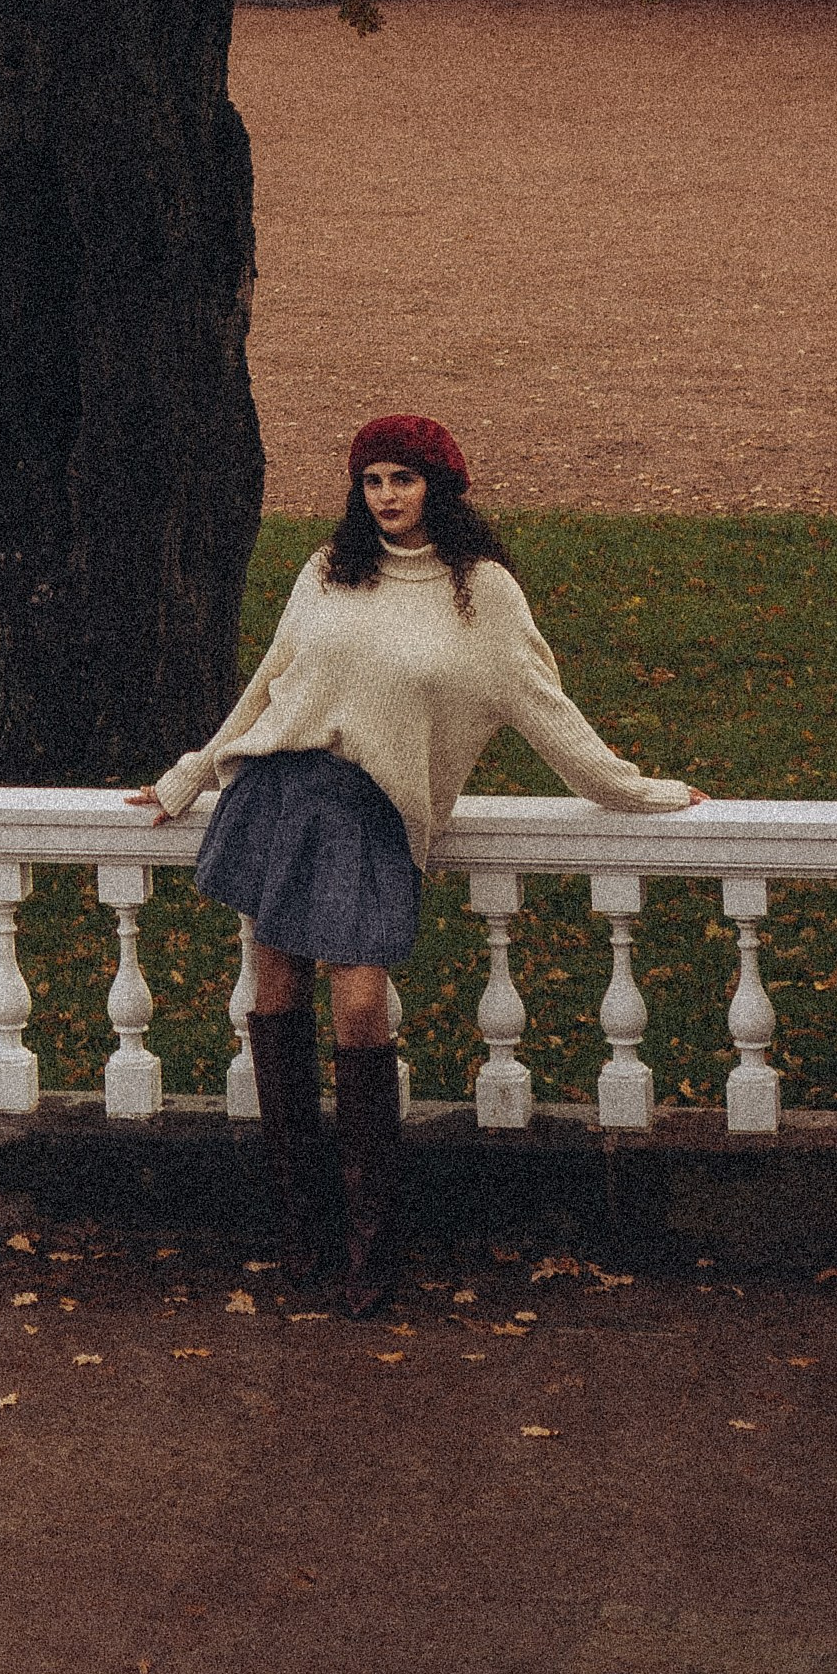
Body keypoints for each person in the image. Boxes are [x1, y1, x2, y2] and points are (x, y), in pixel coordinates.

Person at [132, 417, 703, 1316]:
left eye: (403, 479)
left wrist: (636, 791)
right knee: (271, 993)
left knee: (359, 1009)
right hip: (280, 792)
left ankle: (372, 1239)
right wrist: (188, 775)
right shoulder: (326, 570)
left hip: (372, 815)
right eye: (371, 482)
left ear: (441, 484)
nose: (386, 497)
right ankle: (301, 1229)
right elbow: (268, 682)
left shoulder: (482, 594)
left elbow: (546, 711)